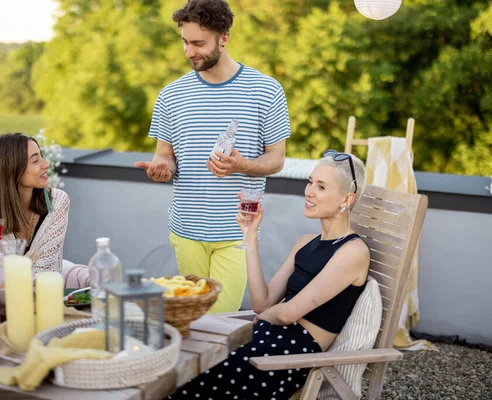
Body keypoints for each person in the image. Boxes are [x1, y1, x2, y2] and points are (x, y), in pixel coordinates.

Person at [167, 150, 370, 399]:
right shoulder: (305, 242)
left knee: (194, 377)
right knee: (182, 365)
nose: (309, 191)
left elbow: (286, 314)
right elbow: (262, 303)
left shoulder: (353, 252)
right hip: (266, 336)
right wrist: (250, 235)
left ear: (346, 200)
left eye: (321, 187)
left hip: (288, 354)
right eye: (310, 182)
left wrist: (264, 317)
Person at [135, 0, 291, 313]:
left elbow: (276, 159)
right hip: (185, 229)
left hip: (237, 230)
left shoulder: (266, 90)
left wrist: (243, 164)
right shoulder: (171, 95)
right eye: (185, 42)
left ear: (224, 38)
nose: (190, 52)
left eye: (198, 43)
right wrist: (162, 169)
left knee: (219, 320)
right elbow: (165, 155)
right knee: (193, 319)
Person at [0, 133, 70, 273]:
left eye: (41, 156)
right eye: (35, 161)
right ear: (11, 170)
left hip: (45, 291)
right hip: (1, 291)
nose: (46, 165)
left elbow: (45, 266)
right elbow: (0, 263)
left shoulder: (58, 201)